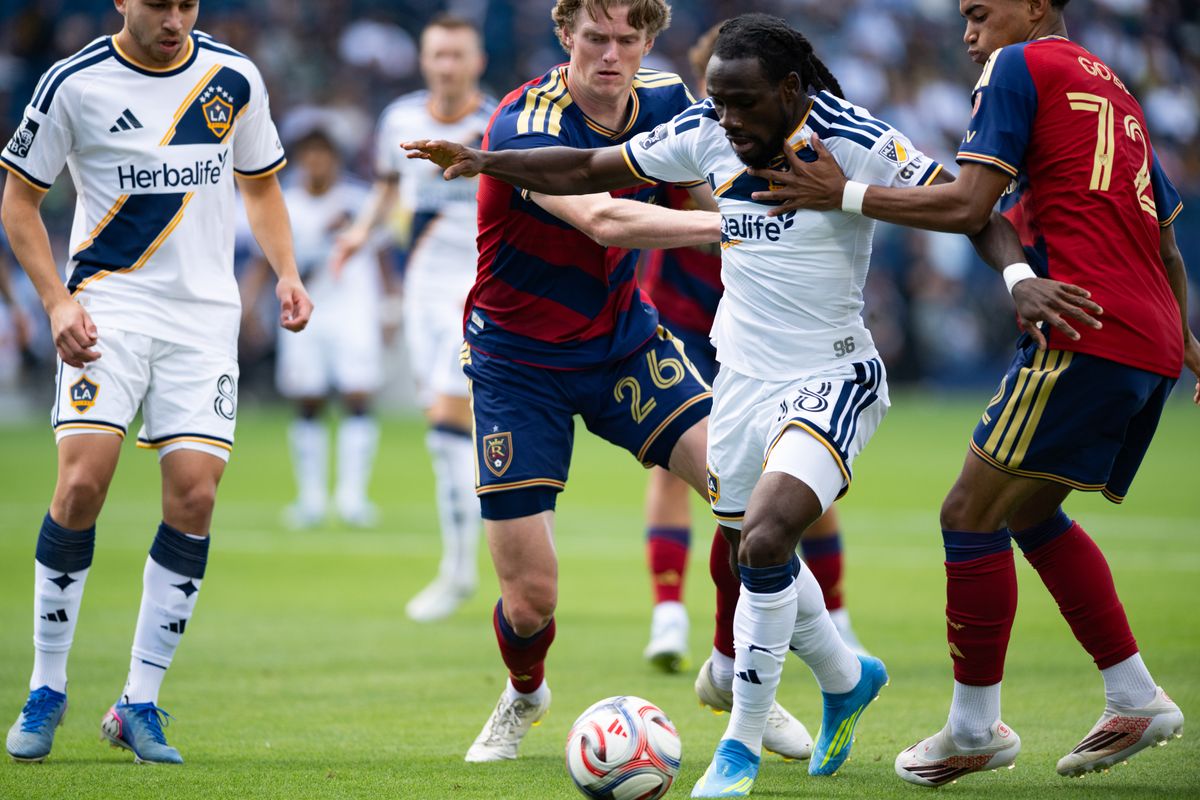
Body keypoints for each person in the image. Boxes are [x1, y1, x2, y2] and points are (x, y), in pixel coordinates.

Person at [403, 12, 1030, 796]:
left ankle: (741, 688)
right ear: (564, 35)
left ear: (647, 43)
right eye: (594, 37)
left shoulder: (688, 103)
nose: (611, 55)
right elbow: (603, 211)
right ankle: (526, 693)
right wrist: (750, 220)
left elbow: (726, 165)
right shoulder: (527, 118)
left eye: (627, 39)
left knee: (748, 519)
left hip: (628, 343)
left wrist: (785, 213)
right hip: (518, 358)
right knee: (530, 601)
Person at [747, 0, 1200, 786]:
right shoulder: (1118, 92)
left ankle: (973, 728)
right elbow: (1164, 238)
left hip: (1086, 325)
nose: (967, 31)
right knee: (1026, 509)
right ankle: (1132, 695)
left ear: (1035, 8)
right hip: (1149, 337)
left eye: (981, 12)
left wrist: (843, 194)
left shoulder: (1019, 66)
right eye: (961, 16)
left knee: (968, 512)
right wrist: (1188, 345)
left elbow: (967, 204)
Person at [2, 0, 310, 764]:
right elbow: (19, 202)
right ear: (121, 2)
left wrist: (287, 275)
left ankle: (139, 702)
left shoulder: (232, 78)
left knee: (196, 496)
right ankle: (46, 687)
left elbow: (263, 187)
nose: (174, 17)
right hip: (110, 308)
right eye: (158, 3)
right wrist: (55, 299)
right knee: (80, 485)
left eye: (187, 3)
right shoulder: (73, 84)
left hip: (205, 320)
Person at [640, 24, 870, 682]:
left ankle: (836, 618)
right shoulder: (689, 134)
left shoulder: (798, 138)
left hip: (782, 331)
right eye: (717, 93)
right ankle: (668, 614)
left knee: (798, 477)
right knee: (684, 465)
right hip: (688, 315)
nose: (728, 111)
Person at [333, 14, 494, 621]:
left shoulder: (494, 123)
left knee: (449, 424)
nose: (446, 65)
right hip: (421, 292)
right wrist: (358, 234)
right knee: (447, 429)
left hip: (480, 291)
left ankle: (459, 571)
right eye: (437, 55)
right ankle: (467, 559)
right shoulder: (399, 120)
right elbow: (384, 189)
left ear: (476, 62)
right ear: (424, 60)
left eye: (457, 55)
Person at [241, 124, 392, 529]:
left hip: (354, 308)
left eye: (322, 152)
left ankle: (352, 497)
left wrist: (389, 306)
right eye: (308, 152)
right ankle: (310, 499)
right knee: (307, 400)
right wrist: (249, 305)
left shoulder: (359, 200)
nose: (316, 160)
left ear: (335, 158)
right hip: (304, 312)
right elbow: (262, 259)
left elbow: (381, 256)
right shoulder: (284, 203)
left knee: (357, 396)